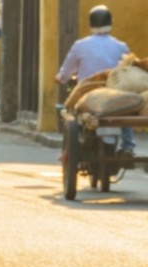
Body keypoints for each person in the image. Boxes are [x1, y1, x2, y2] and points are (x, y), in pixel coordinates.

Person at [54, 5, 136, 157]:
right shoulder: (121, 46)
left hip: (88, 95)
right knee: (127, 109)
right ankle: (128, 146)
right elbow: (129, 71)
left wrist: (61, 77)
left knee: (72, 113)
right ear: (111, 23)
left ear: (90, 25)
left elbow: (66, 71)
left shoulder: (80, 45)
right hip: (114, 94)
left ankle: (73, 147)